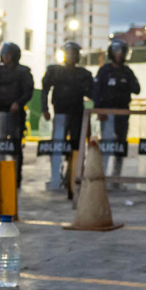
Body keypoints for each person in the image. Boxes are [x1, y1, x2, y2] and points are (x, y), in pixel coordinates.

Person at [41, 41, 94, 187]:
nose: (71, 56)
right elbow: (45, 90)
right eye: (68, 53)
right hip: (59, 113)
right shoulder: (54, 71)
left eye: (73, 54)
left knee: (76, 145)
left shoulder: (83, 74)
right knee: (57, 145)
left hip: (77, 114)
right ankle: (55, 175)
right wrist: (44, 109)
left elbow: (92, 93)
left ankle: (72, 176)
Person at [0, 43, 35, 186]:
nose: (6, 58)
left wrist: (19, 102)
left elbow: (28, 91)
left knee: (15, 145)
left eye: (9, 55)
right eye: (4, 55)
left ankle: (16, 177)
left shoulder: (23, 72)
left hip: (15, 114)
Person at [94, 39, 141, 177]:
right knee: (107, 143)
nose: (119, 55)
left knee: (121, 143)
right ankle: (103, 172)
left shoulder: (127, 72)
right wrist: (98, 110)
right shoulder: (104, 71)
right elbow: (96, 92)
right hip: (107, 114)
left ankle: (117, 174)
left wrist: (125, 83)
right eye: (117, 52)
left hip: (122, 114)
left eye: (122, 52)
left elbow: (137, 89)